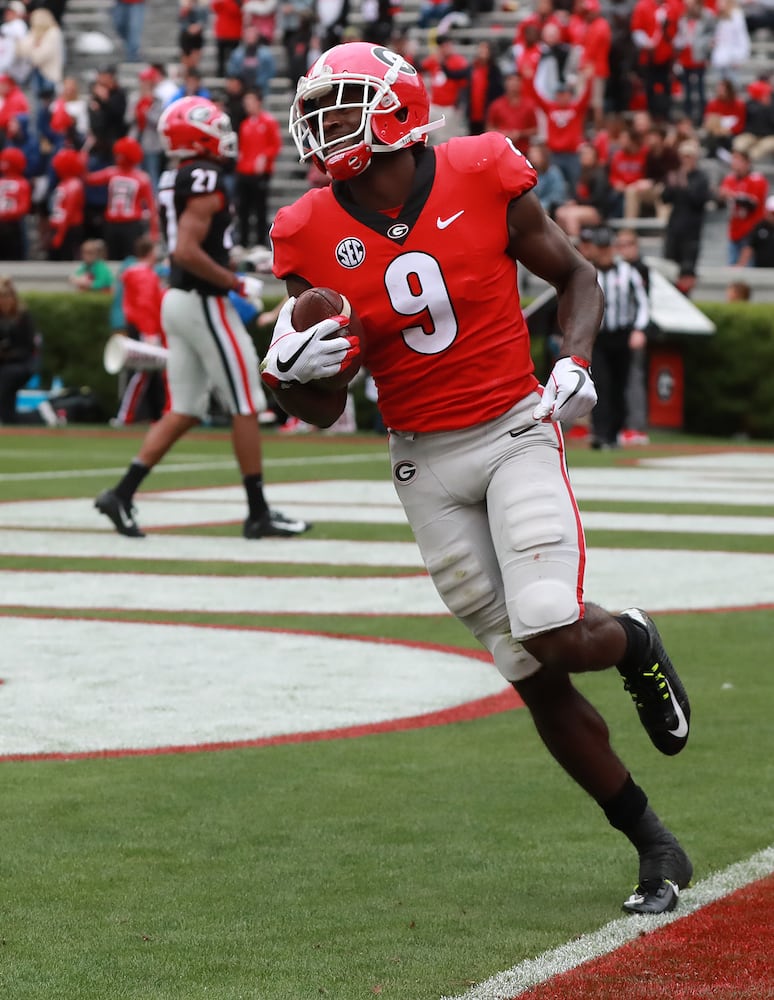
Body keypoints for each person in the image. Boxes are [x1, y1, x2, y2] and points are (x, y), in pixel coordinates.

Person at [264, 41, 693, 915]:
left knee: (552, 627)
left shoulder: (481, 168)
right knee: (524, 668)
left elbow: (575, 274)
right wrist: (287, 375)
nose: (323, 126)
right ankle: (654, 843)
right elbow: (319, 411)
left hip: (512, 429)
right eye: (321, 109)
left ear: (394, 110)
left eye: (342, 106)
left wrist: (572, 360)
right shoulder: (307, 229)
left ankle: (635, 641)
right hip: (422, 460)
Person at [95, 95, 310, 541]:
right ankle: (257, 512)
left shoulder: (178, 174)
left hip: (180, 299)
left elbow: (192, 244)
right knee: (247, 403)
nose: (224, 137)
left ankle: (121, 494)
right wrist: (233, 283)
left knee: (187, 409)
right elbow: (187, 250)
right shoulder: (205, 174)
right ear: (197, 134)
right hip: (204, 301)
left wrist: (235, 265)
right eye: (215, 128)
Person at [586, 225, 650, 450]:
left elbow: (642, 303)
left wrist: (639, 330)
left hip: (623, 335)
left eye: (606, 248)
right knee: (600, 384)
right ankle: (600, 434)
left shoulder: (628, 272)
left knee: (620, 385)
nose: (603, 253)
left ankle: (613, 434)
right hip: (599, 337)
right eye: (600, 248)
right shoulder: (587, 271)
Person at [112, 235, 169, 426]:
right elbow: (146, 306)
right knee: (142, 374)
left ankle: (155, 415)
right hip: (145, 329)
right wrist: (151, 333)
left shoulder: (139, 272)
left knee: (149, 375)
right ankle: (125, 415)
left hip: (142, 327)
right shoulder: (144, 274)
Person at [614, 228, 651, 446]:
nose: (623, 248)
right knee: (614, 380)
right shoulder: (616, 269)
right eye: (620, 244)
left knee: (633, 380)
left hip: (633, 331)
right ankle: (618, 424)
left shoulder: (640, 270)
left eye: (628, 244)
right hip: (616, 332)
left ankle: (636, 426)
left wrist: (640, 329)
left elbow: (644, 304)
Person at [235, 87, 282, 249]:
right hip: (244, 171)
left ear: (259, 102)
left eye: (250, 101)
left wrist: (264, 157)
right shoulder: (245, 124)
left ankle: (261, 242)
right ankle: (243, 241)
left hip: (260, 173)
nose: (247, 105)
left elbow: (275, 145)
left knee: (260, 208)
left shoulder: (268, 122)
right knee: (243, 209)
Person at [0, 275, 38, 425]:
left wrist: (7, 354)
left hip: (21, 363)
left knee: (6, 376)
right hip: (3, 364)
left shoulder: (23, 317)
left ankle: (9, 420)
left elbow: (29, 347)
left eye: (5, 297)